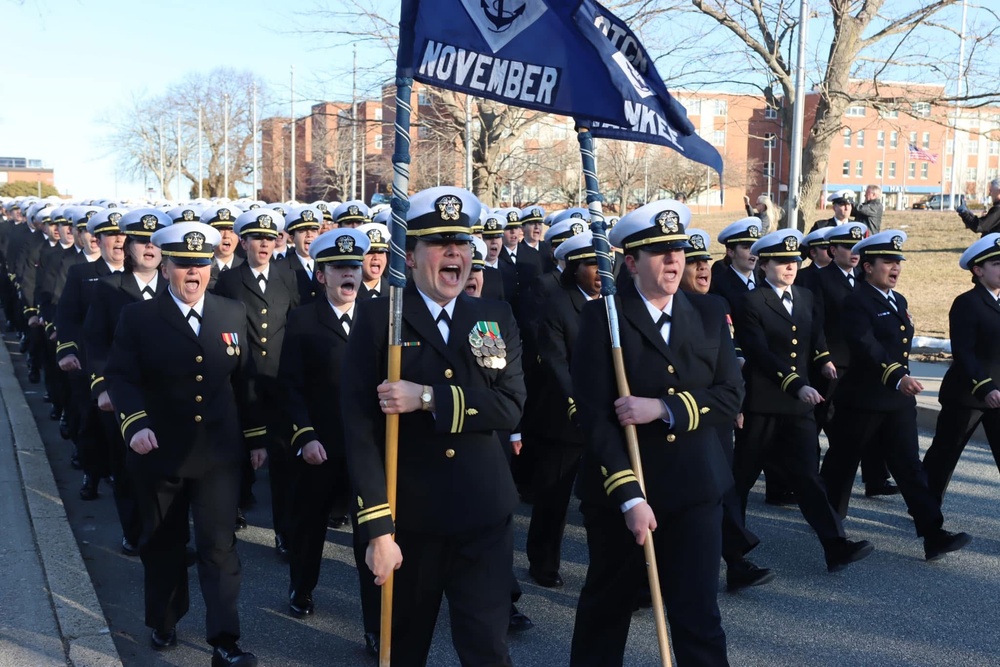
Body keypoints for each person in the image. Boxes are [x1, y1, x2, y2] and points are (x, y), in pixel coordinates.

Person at [343, 186, 526, 666]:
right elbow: (359, 432)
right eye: (439, 243)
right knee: (403, 648)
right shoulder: (379, 317)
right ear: (411, 254)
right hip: (410, 520)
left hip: (483, 513)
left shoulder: (490, 318)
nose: (455, 253)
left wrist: (426, 398)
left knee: (487, 648)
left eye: (462, 243)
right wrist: (378, 529)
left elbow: (508, 406)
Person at [569, 199, 743, 667]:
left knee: (698, 616)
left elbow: (730, 395)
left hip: (694, 489)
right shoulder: (602, 318)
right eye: (659, 252)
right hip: (621, 492)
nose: (673, 261)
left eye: (678, 251)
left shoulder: (710, 312)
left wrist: (662, 409)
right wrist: (629, 497)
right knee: (607, 611)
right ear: (631, 262)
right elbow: (594, 416)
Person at [105, 221, 267, 667]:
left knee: (219, 548)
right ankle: (165, 618)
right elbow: (120, 375)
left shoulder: (232, 313)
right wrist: (134, 424)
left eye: (201, 263)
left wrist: (255, 438)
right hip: (159, 453)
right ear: (167, 265)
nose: (193, 272)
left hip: (218, 455)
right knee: (164, 544)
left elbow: (246, 383)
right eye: (183, 264)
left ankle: (225, 641)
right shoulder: (138, 317)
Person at [820, 230, 973, 562]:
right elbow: (865, 344)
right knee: (840, 468)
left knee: (910, 467)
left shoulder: (897, 300)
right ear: (868, 267)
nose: (896, 268)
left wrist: (901, 381)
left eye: (898, 262)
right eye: (888, 262)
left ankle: (933, 534)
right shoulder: (856, 301)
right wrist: (896, 375)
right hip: (862, 401)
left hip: (897, 402)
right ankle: (831, 533)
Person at [733, 228, 874, 573]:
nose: (790, 266)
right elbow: (759, 352)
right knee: (740, 480)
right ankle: (734, 557)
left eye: (794, 260)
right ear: (764, 265)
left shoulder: (806, 296)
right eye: (781, 261)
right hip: (765, 404)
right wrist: (795, 383)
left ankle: (835, 545)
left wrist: (823, 359)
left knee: (808, 477)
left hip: (798, 407)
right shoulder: (751, 301)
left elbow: (814, 334)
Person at [279, 227, 383, 657]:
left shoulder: (380, 314)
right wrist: (305, 437)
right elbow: (290, 387)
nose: (349, 274)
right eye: (339, 267)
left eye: (354, 267)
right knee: (309, 528)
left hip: (367, 450)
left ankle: (375, 627)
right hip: (320, 447)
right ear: (321, 275)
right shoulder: (303, 319)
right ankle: (302, 588)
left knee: (372, 536)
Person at [680, 229, 773, 591]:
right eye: (694, 262)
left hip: (713, 417)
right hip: (675, 420)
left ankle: (735, 563)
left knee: (722, 488)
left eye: (705, 261)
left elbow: (729, 362)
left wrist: (733, 405)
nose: (703, 268)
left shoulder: (714, 308)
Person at [84, 207, 172, 555]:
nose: (148, 247)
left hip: (169, 396)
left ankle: (167, 536)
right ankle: (134, 532)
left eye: (155, 242)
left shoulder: (176, 287)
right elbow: (96, 340)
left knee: (169, 469)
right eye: (140, 241)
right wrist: (102, 387)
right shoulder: (108, 289)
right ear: (128, 247)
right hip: (126, 394)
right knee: (129, 467)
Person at [213, 208, 300, 546]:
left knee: (281, 460)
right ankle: (236, 504)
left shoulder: (287, 276)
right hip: (241, 378)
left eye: (269, 238)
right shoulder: (230, 280)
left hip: (278, 379)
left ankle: (283, 531)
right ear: (244, 242)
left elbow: (296, 323)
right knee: (239, 450)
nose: (264, 244)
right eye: (257, 239)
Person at [525, 231, 596, 589]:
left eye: (604, 262)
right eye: (591, 264)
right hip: (565, 418)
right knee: (553, 498)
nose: (600, 271)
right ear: (573, 268)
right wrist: (580, 405)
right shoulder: (558, 304)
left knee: (608, 501)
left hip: (608, 415)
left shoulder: (614, 303)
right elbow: (555, 362)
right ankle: (543, 562)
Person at [923, 233, 1000, 501]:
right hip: (968, 395)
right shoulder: (967, 303)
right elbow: (963, 352)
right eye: (997, 264)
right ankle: (925, 506)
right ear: (978, 270)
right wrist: (986, 387)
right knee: (945, 454)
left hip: (999, 396)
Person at [357, 220, 389, 299]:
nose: (376, 257)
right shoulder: (348, 294)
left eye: (381, 252)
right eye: (370, 252)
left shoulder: (396, 292)